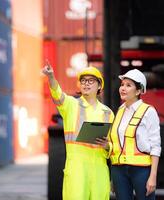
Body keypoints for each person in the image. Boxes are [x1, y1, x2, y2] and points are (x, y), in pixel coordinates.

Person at [42, 61, 114, 200]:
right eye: (83, 81)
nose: (86, 83)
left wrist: (107, 146)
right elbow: (58, 95)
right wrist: (51, 77)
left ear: (99, 85)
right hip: (77, 168)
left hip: (100, 169)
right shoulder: (71, 104)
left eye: (91, 81)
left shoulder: (108, 113)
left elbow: (115, 144)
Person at [98, 69, 161, 200]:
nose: (123, 88)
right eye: (122, 84)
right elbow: (119, 142)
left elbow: (155, 146)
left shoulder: (149, 111)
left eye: (128, 85)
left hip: (141, 170)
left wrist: (153, 177)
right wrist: (107, 145)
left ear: (138, 91)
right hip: (119, 170)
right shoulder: (120, 111)